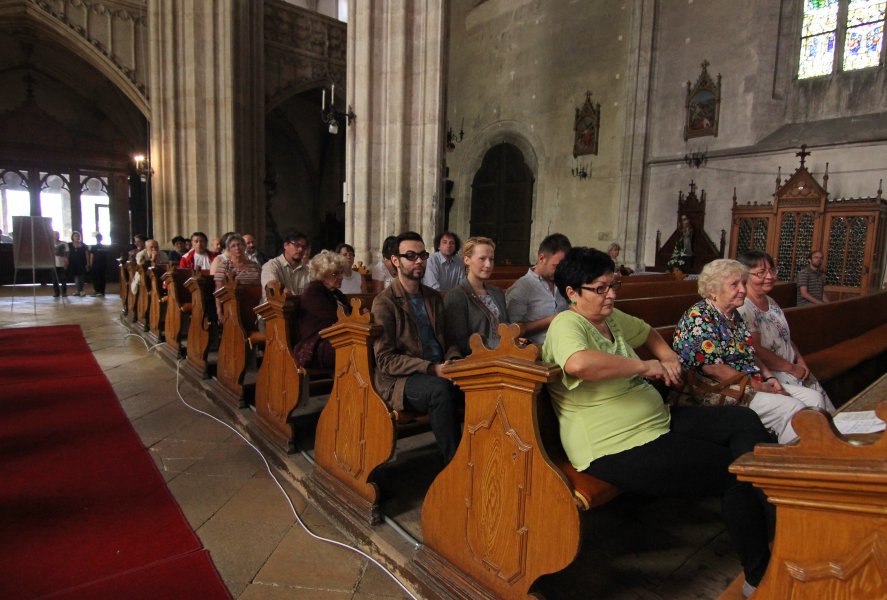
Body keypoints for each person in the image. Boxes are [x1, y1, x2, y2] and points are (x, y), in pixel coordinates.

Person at [541, 247, 773, 598]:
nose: (611, 294)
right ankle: (761, 576)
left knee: (743, 420)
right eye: (600, 288)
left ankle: (768, 510)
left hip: (656, 421)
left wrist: (667, 357)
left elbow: (648, 332)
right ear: (572, 292)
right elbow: (578, 364)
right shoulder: (567, 324)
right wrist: (643, 365)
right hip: (614, 443)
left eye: (613, 285)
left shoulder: (611, 318)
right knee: (733, 472)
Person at [673, 258, 830, 444]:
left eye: (743, 283)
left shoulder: (734, 315)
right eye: (734, 285)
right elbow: (713, 368)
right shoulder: (699, 316)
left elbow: (749, 353)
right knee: (791, 407)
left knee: (814, 399)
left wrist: (769, 378)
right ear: (713, 290)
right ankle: (785, 459)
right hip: (715, 390)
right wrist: (759, 386)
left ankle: (817, 451)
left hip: (750, 382)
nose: (742, 289)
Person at [371, 231, 464, 463]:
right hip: (401, 380)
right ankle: (456, 465)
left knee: (478, 385)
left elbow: (449, 339)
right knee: (440, 391)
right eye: (411, 256)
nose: (419, 261)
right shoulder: (385, 302)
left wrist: (453, 361)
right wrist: (432, 368)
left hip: (439, 369)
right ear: (396, 261)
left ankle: (480, 455)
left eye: (422, 255)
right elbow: (386, 360)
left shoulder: (433, 297)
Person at [736, 250, 834, 411]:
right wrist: (792, 368)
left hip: (792, 367)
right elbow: (756, 349)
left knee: (826, 413)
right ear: (744, 275)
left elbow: (785, 337)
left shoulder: (771, 301)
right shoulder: (744, 307)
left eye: (771, 270)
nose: (769, 276)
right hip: (773, 373)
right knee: (812, 409)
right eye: (761, 272)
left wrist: (800, 362)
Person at [444, 236, 509, 355]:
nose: (488, 265)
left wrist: (514, 340)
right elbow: (459, 342)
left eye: (491, 259)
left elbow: (506, 327)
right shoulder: (456, 296)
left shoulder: (497, 293)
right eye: (482, 259)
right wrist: (500, 345)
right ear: (467, 260)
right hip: (476, 359)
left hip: (502, 355)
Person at [506, 233, 572, 345]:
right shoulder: (522, 287)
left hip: (566, 343)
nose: (561, 271)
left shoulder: (563, 282)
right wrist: (550, 320)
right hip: (535, 350)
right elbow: (512, 330)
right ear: (542, 258)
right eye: (556, 266)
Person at [293, 250, 351, 369]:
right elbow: (333, 320)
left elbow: (350, 314)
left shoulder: (336, 293)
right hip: (316, 346)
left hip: (337, 339)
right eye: (335, 274)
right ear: (323, 275)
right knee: (358, 350)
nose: (340, 277)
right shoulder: (313, 292)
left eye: (341, 273)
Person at [214, 233, 262, 323]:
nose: (237, 248)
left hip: (254, 306)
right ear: (229, 250)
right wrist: (219, 311)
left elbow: (262, 287)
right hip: (232, 306)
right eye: (233, 246)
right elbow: (218, 290)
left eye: (239, 245)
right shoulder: (224, 266)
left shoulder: (255, 266)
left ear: (244, 247)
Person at [260, 231, 310, 301]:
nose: (301, 249)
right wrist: (281, 290)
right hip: (273, 307)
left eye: (304, 247)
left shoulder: (308, 269)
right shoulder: (271, 265)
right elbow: (271, 286)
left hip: (297, 306)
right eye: (297, 245)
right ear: (285, 245)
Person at [66, 231, 89, 297]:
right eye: (75, 236)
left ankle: (81, 290)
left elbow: (87, 254)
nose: (77, 237)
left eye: (78, 236)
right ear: (72, 237)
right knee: (76, 277)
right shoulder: (69, 245)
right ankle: (78, 290)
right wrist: (67, 261)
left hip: (82, 263)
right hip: (73, 263)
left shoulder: (83, 245)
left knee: (81, 277)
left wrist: (88, 263)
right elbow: (67, 254)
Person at [89, 232, 109, 297]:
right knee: (101, 278)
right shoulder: (104, 247)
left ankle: (98, 291)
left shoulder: (94, 247)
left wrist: (91, 264)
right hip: (101, 264)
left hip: (97, 265)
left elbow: (91, 257)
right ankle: (101, 291)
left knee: (97, 278)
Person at [52, 231, 68, 298]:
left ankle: (64, 292)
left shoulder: (63, 243)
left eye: (57, 235)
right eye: (55, 235)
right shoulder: (50, 243)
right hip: (53, 264)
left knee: (63, 279)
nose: (56, 236)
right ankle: (56, 292)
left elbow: (67, 253)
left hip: (62, 264)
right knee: (55, 279)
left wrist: (66, 262)